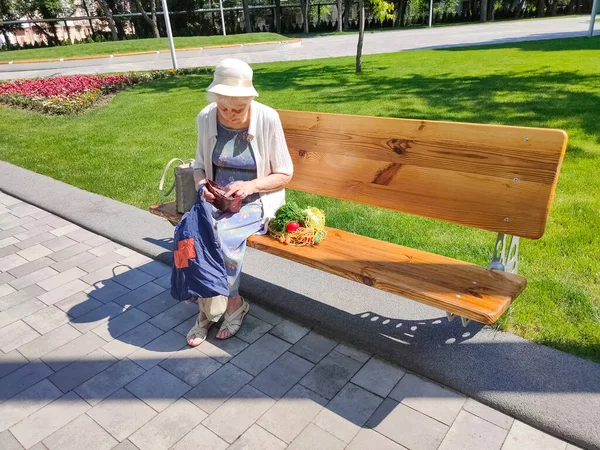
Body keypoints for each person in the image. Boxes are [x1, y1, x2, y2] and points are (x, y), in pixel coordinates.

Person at [188, 58, 293, 346]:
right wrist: (203, 187)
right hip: (216, 197)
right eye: (223, 108)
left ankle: (232, 304)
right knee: (194, 235)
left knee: (221, 238)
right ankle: (210, 308)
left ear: (250, 100)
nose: (230, 115)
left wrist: (250, 186)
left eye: (238, 109)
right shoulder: (206, 116)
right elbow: (199, 166)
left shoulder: (267, 118)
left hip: (256, 198)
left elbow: (285, 174)